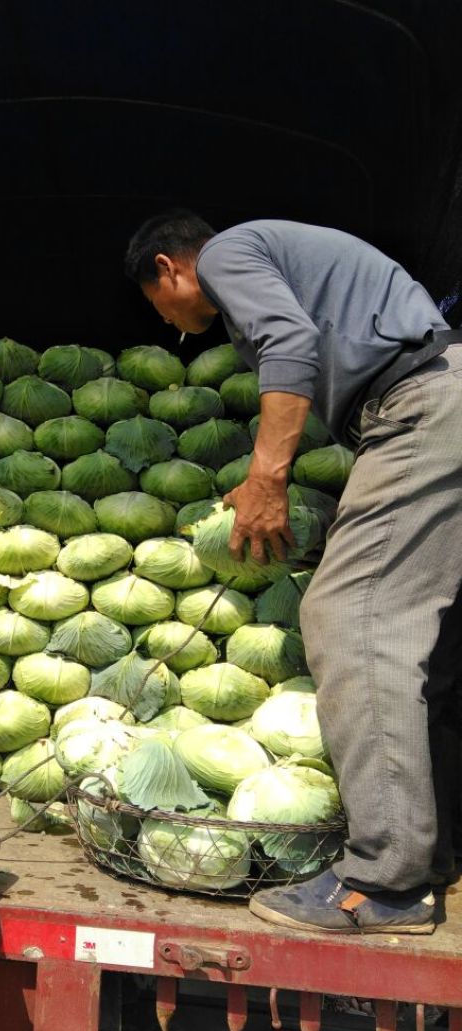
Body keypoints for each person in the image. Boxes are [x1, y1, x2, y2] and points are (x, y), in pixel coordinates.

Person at [125, 211, 462, 934]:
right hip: (438, 401)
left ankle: (385, 880)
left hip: (422, 407)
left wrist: (266, 479)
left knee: (350, 620)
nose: (180, 328)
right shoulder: (282, 254)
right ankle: (435, 849)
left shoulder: (228, 255)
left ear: (169, 268)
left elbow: (289, 341)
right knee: (432, 641)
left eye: (164, 310)